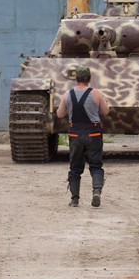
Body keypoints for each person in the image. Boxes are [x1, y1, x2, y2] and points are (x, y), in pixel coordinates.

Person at [57, 66, 110, 207]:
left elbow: (60, 114)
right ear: (89, 79)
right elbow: (106, 111)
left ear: (76, 79)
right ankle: (96, 191)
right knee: (96, 165)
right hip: (93, 133)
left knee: (75, 167)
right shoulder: (96, 94)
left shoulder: (68, 94)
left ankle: (74, 199)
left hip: (75, 133)